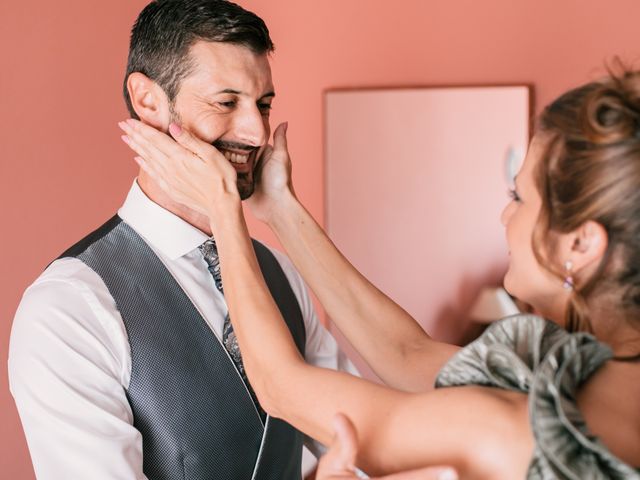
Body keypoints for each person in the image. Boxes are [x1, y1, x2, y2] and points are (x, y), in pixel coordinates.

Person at [119, 65, 640, 478]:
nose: (505, 215)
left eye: (518, 196)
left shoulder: (509, 433)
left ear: (581, 243)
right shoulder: (582, 374)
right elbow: (407, 355)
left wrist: (223, 208)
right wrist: (277, 208)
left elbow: (283, 388)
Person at [8, 1, 363, 479]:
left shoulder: (282, 274)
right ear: (148, 101)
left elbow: (356, 443)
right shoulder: (69, 308)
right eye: (226, 102)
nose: (257, 133)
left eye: (263, 104)